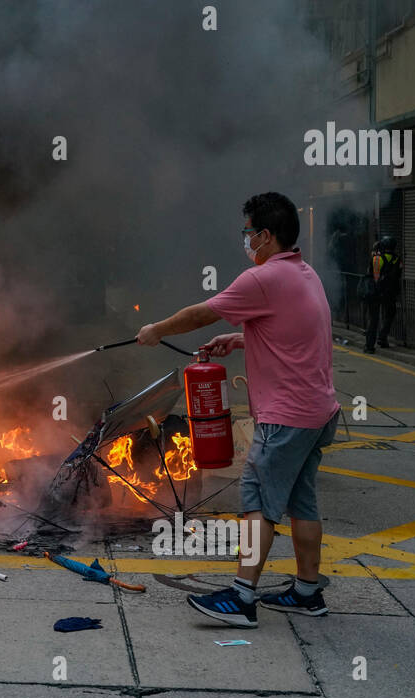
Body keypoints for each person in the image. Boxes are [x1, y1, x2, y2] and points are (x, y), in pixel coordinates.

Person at [135, 191, 340, 628]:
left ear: (265, 235)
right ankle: (307, 592)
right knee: (302, 503)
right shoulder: (304, 274)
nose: (245, 240)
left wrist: (156, 330)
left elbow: (200, 314)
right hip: (318, 412)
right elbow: (297, 335)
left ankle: (242, 597)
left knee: (258, 503)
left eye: (248, 232)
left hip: (285, 418)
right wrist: (242, 339)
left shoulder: (262, 279)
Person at [364, 235, 401, 353]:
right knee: (390, 314)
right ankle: (383, 337)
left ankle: (369, 346)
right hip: (390, 292)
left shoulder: (377, 259)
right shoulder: (397, 259)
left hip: (375, 292)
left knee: (373, 319)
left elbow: (374, 276)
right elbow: (398, 274)